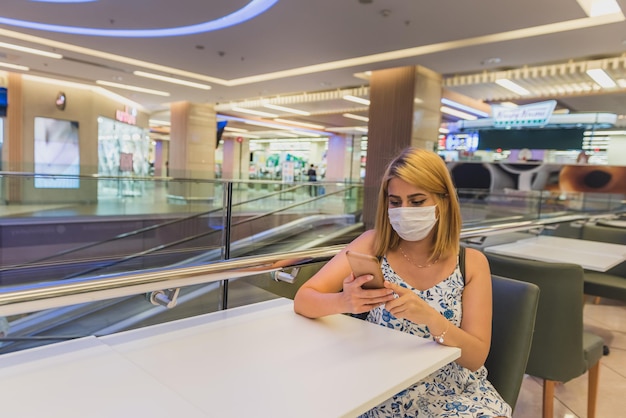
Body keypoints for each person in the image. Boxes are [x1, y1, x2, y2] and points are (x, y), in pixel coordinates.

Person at [294, 147, 511, 418]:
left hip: (452, 388)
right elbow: (304, 299)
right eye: (395, 202)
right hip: (383, 387)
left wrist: (433, 320)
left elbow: (476, 356)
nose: (404, 211)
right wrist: (343, 301)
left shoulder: (471, 263)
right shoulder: (373, 244)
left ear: (443, 201)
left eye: (417, 201)